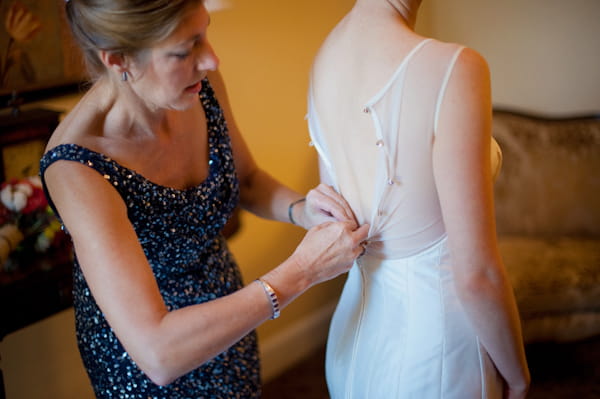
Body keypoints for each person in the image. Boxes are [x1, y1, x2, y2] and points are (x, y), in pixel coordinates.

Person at [39, 1, 369, 397]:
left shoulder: (196, 88)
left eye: (204, 34)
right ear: (118, 59)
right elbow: (157, 353)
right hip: (152, 361)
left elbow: (246, 181)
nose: (210, 60)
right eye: (185, 49)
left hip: (233, 309)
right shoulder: (76, 168)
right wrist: (303, 270)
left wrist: (304, 211)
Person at [306, 0, 531, 398]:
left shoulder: (325, 54)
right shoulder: (455, 68)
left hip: (350, 344)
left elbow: (339, 222)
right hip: (437, 354)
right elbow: (477, 275)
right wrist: (517, 375)